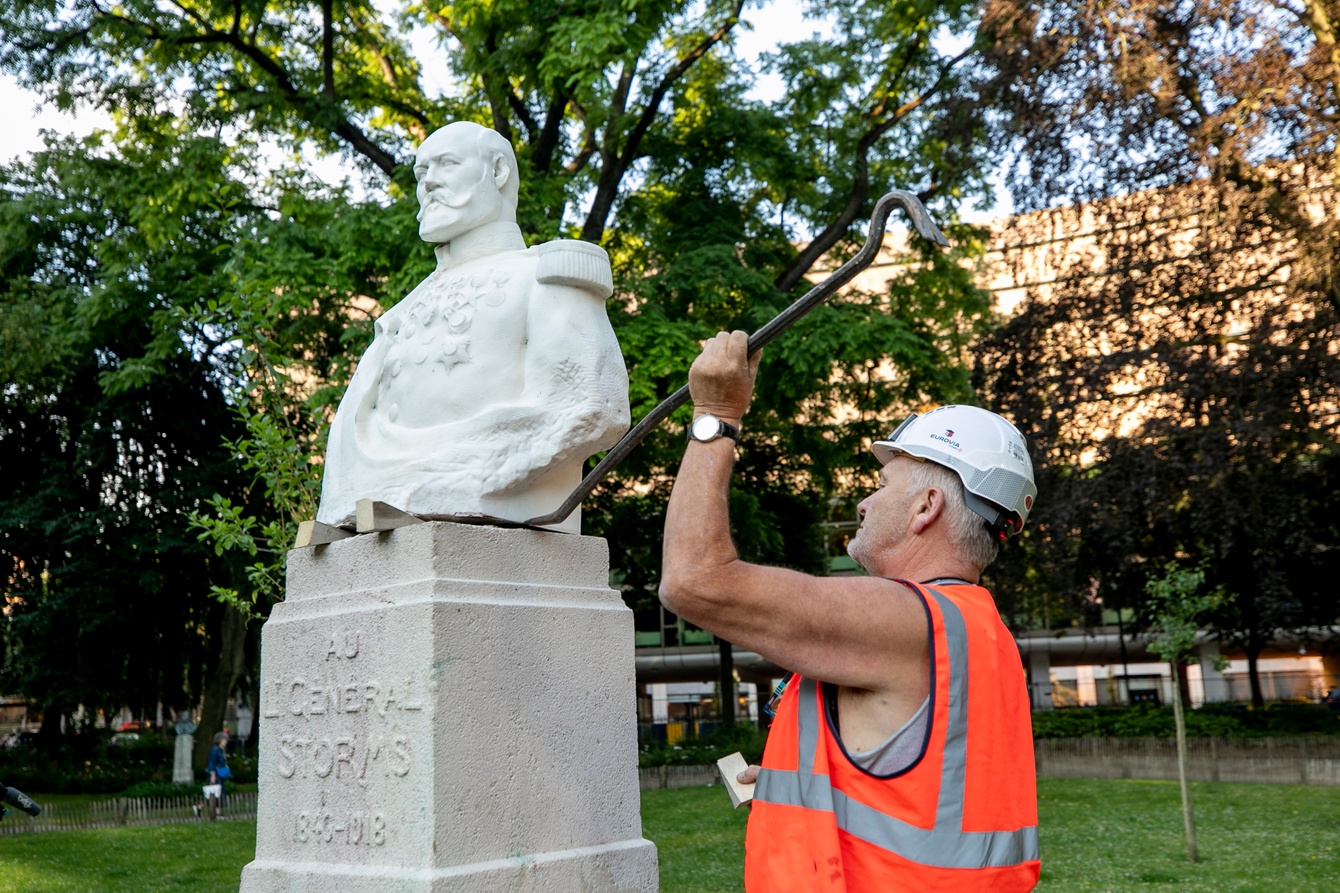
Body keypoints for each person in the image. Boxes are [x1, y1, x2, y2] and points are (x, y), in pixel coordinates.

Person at [660, 331, 1041, 891]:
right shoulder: (977, 629)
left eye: (882, 484)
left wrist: (716, 414)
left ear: (926, 506)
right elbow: (923, 785)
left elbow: (694, 580)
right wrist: (806, 785)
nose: (864, 502)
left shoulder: (905, 619)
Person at [316, 121, 630, 533]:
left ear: (498, 171)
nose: (428, 183)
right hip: (375, 488)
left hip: (495, 501)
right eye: (421, 172)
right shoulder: (401, 312)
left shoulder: (545, 276)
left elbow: (591, 406)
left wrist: (468, 470)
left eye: (446, 164)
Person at [203, 729, 230, 819]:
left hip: (220, 774)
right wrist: (212, 774)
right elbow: (212, 763)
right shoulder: (215, 750)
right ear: (219, 740)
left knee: (219, 791)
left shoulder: (221, 750)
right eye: (224, 740)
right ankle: (217, 812)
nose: (225, 741)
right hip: (215, 774)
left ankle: (216, 811)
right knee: (216, 792)